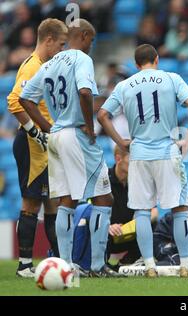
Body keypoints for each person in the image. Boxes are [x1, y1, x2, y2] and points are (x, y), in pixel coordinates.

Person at [19, 19, 117, 277]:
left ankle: (66, 266)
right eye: (92, 40)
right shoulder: (81, 59)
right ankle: (97, 266)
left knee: (67, 200)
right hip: (76, 133)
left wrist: (47, 127)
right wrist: (89, 125)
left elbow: (24, 98)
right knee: (104, 197)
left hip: (57, 136)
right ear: (84, 36)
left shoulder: (50, 63)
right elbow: (85, 92)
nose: (91, 46)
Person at [97, 44, 188, 278]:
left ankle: (150, 266)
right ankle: (186, 266)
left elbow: (102, 115)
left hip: (139, 154)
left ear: (136, 65)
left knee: (142, 212)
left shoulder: (124, 85)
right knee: (180, 209)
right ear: (156, 60)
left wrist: (121, 142)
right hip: (167, 151)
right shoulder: (171, 78)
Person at [7, 18, 68, 277]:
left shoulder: (46, 66)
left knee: (52, 203)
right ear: (49, 40)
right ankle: (24, 265)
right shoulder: (32, 67)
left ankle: (60, 263)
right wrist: (36, 132)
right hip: (33, 146)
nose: (62, 50)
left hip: (46, 143)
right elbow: (14, 102)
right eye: (61, 44)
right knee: (32, 202)